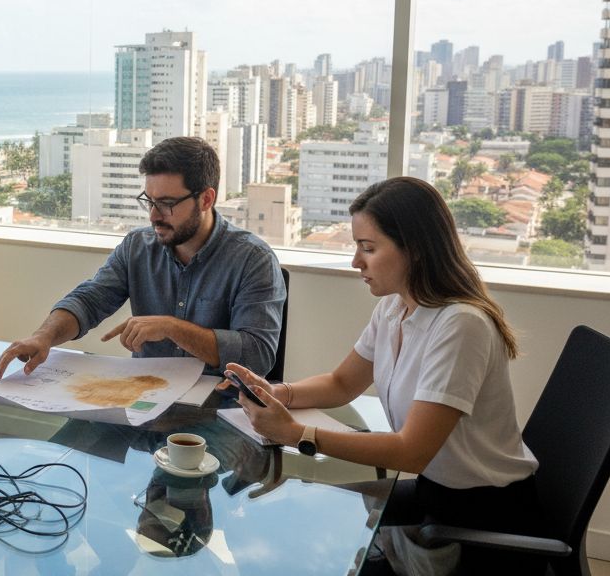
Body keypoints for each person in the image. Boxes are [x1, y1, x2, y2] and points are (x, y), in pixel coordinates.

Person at [226, 176, 539, 574]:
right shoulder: (395, 308)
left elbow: (412, 451)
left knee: (305, 540)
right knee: (291, 511)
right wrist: (276, 392)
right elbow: (342, 384)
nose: (356, 261)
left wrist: (297, 435)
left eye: (368, 248)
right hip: (435, 494)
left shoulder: (461, 325)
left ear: (417, 250)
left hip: (481, 515)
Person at [0, 136, 285, 380]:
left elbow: (257, 355)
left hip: (219, 407)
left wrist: (172, 328)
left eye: (167, 204)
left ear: (206, 199)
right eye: (149, 201)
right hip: (143, 396)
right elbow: (90, 299)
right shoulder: (138, 246)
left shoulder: (253, 260)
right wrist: (44, 336)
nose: (154, 216)